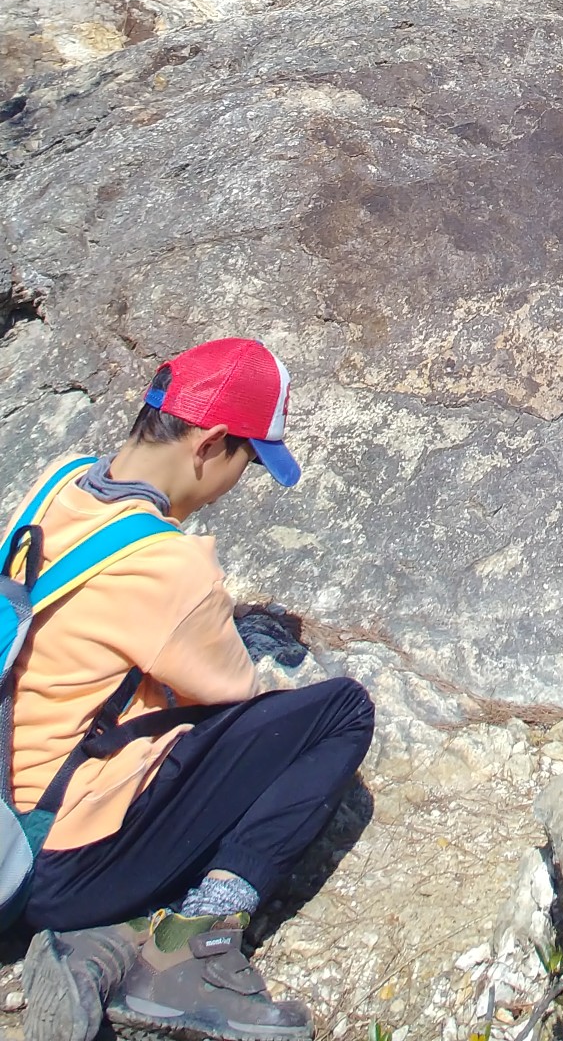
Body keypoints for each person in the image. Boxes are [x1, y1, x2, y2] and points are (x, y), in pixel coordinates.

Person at [7, 337, 375, 1041]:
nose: (238, 482)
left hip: (7, 826)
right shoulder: (171, 564)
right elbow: (232, 694)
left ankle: (100, 946)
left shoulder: (57, 484)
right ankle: (188, 945)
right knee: (337, 713)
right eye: (247, 461)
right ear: (209, 445)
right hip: (62, 864)